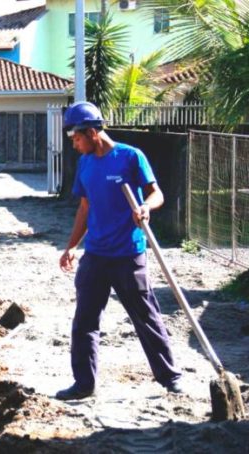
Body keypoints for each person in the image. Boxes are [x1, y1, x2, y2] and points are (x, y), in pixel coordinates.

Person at [56, 101, 182, 400]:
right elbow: (85, 208)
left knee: (146, 318)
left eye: (75, 138)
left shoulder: (130, 157)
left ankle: (170, 378)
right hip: (96, 256)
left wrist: (145, 208)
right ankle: (84, 384)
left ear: (91, 132)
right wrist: (72, 246)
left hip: (128, 255)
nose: (73, 145)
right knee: (84, 322)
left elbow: (156, 193)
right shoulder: (85, 163)